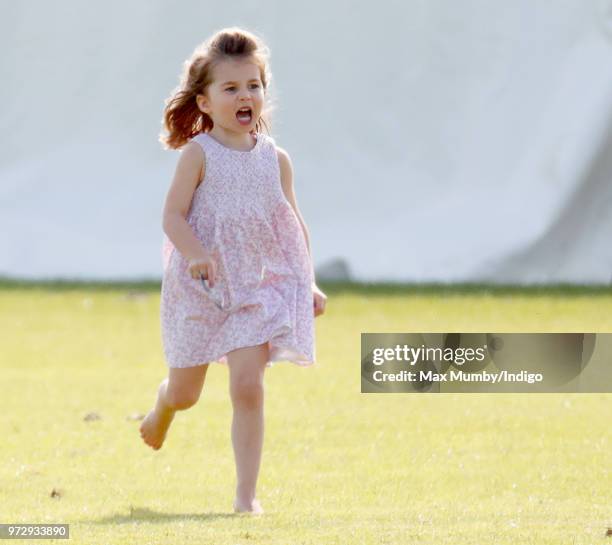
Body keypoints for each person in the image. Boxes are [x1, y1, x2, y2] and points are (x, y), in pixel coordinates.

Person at [139, 27, 328, 515]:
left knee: (249, 386)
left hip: (253, 291)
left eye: (254, 86)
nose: (246, 96)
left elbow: (291, 224)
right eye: (231, 88)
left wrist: (306, 279)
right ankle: (162, 406)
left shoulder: (275, 160)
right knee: (187, 393)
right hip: (198, 290)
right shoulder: (198, 155)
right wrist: (196, 253)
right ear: (204, 102)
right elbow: (172, 217)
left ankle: (246, 497)